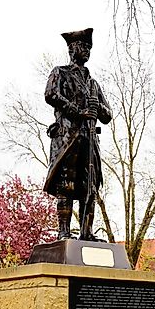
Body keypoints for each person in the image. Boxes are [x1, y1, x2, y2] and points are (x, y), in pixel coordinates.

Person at [44, 28, 112, 241]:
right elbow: (51, 94)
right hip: (68, 138)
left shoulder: (93, 83)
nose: (87, 51)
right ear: (72, 49)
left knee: (89, 185)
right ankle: (63, 231)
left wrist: (97, 106)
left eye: (89, 48)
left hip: (89, 140)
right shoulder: (60, 73)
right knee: (67, 184)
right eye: (83, 47)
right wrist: (77, 110)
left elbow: (107, 114)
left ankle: (87, 232)